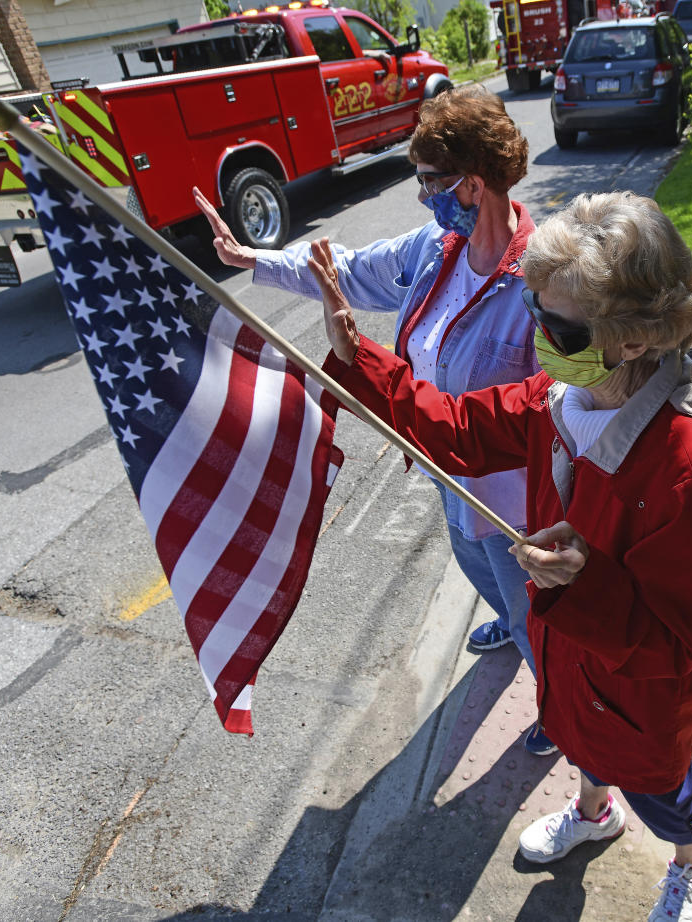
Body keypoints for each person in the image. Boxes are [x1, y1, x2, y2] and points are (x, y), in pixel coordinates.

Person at [306, 190, 692, 922]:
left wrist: (586, 582)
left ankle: (691, 858)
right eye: (533, 310)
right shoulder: (562, 395)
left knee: (659, 789)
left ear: (632, 339)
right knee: (580, 736)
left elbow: (676, 641)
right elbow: (457, 427)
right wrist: (359, 356)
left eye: (555, 326)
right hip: (568, 659)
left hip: (640, 698)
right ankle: (593, 811)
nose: (536, 335)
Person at [194, 85, 557, 755]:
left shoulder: (541, 281)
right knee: (476, 569)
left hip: (516, 503)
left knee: (538, 614)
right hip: (450, 477)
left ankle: (558, 714)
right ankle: (508, 622)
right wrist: (256, 262)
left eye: (429, 182)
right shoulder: (436, 246)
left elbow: (549, 411)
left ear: (474, 184)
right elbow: (353, 270)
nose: (422, 197)